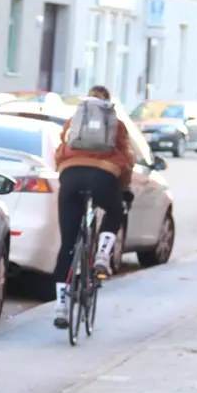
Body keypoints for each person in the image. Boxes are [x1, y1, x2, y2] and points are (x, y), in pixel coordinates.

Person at [51, 85, 135, 329]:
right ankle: (102, 254)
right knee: (115, 211)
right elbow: (127, 159)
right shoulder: (116, 124)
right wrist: (122, 187)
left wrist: (67, 173)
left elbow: (59, 153)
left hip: (71, 176)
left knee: (67, 245)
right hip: (103, 177)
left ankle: (61, 305)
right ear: (108, 103)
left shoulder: (74, 121)